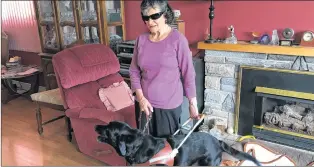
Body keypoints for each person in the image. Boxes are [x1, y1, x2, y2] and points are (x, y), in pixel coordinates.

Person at [129, 0, 199, 138]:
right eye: (145, 17)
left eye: (154, 16)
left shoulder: (178, 40)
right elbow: (134, 71)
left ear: (165, 15)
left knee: (166, 149)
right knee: (145, 146)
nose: (150, 22)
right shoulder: (141, 40)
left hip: (168, 106)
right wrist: (141, 98)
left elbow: (188, 74)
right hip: (144, 105)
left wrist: (192, 103)